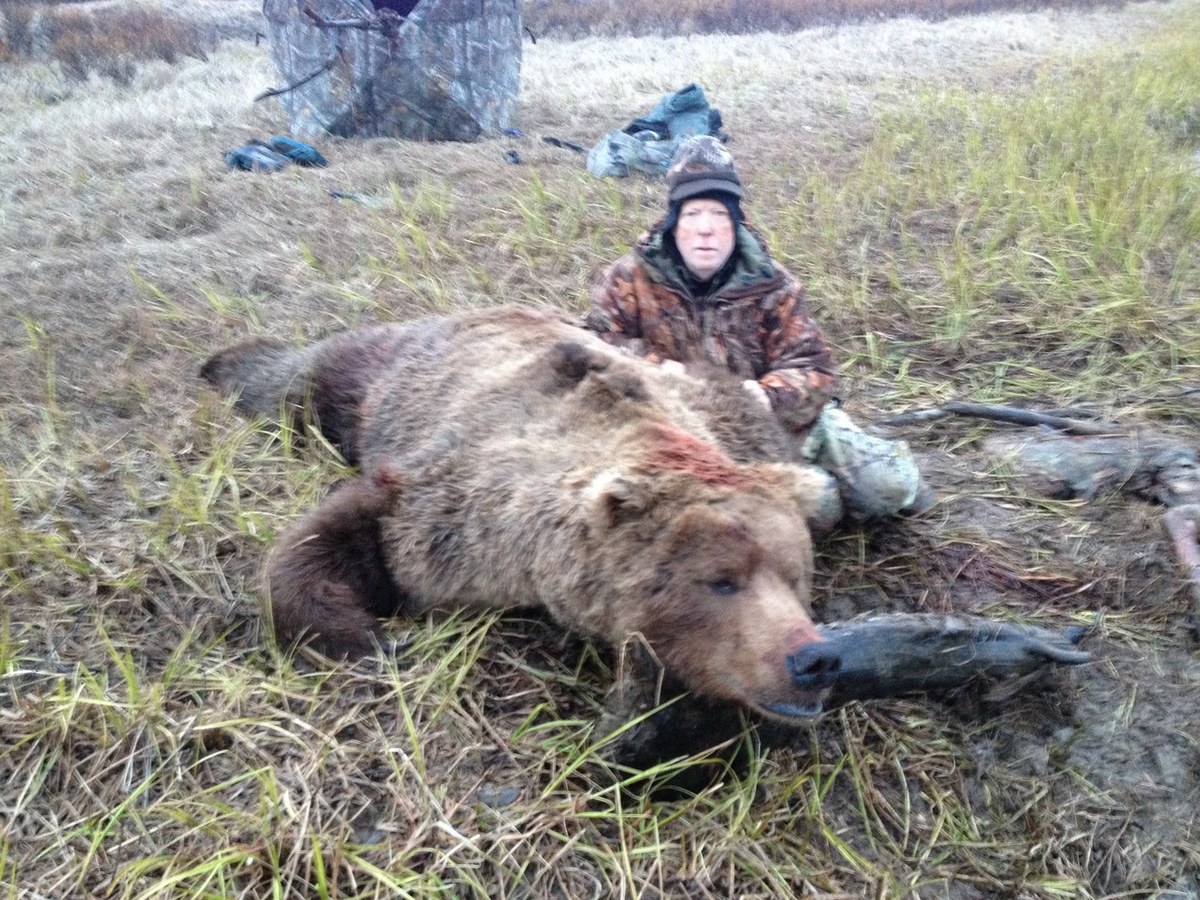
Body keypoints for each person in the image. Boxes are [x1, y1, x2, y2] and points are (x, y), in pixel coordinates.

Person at [584, 135, 929, 523]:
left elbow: (814, 367)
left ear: (735, 221)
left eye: (718, 214)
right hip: (685, 430)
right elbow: (595, 345)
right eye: (693, 214)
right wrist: (661, 372)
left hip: (780, 422)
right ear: (673, 221)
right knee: (816, 509)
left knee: (890, 488)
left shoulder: (772, 283)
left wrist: (767, 396)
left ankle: (877, 476)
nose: (705, 230)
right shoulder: (629, 277)